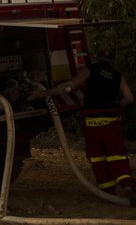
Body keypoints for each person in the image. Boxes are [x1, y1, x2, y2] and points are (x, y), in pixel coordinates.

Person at [29, 49, 135, 197]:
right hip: (111, 123)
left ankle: (108, 192)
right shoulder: (118, 75)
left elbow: (68, 86)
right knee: (116, 154)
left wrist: (44, 93)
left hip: (92, 124)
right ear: (113, 60)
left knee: (97, 157)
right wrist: (117, 107)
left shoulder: (89, 70)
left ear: (97, 57)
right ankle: (127, 184)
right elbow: (129, 98)